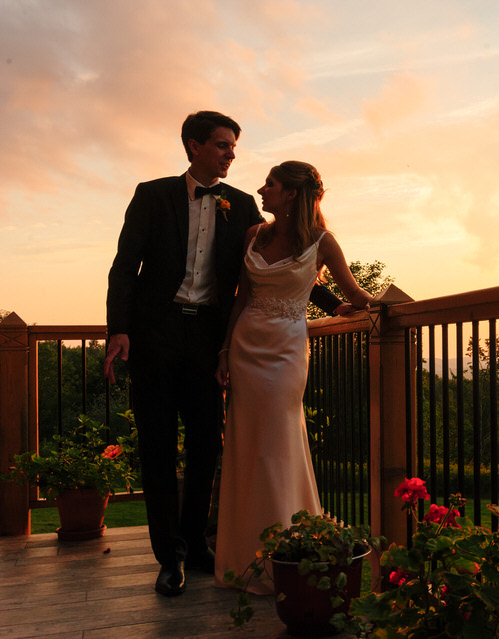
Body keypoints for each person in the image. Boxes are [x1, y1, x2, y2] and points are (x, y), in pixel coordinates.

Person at [103, 112, 346, 597]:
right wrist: (120, 330)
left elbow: (283, 259)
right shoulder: (152, 195)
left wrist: (336, 303)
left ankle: (196, 545)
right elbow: (125, 267)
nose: (231, 154)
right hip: (155, 336)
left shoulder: (240, 207)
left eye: (233, 146)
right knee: (156, 446)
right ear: (194, 147)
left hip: (212, 340)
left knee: (205, 447)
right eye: (221, 146)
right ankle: (168, 556)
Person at [213, 160, 372, 594]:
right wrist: (226, 349)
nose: (262, 190)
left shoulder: (322, 242)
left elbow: (354, 293)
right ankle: (243, 558)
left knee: (278, 444)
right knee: (246, 446)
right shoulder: (255, 235)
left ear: (291, 195)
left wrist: (375, 306)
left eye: (271, 185)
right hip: (246, 347)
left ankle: (286, 555)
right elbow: (241, 297)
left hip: (285, 351)